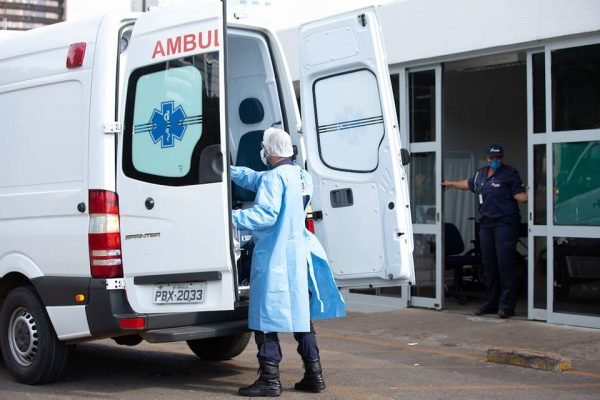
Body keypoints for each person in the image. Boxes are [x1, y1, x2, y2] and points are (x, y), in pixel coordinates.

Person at [231, 127, 345, 397]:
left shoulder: (274, 178)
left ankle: (270, 381)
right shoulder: (301, 175)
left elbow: (264, 216)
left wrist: (229, 216)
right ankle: (314, 375)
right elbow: (258, 179)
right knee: (300, 317)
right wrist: (230, 171)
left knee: (265, 318)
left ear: (268, 150)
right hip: (299, 255)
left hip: (275, 256)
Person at [441, 144, 527, 318]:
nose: (495, 161)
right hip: (486, 225)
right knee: (488, 266)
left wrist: (532, 194)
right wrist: (450, 184)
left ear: (502, 158)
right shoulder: (481, 174)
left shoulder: (510, 174)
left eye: (498, 158)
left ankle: (506, 306)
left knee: (505, 265)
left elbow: (519, 196)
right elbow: (468, 183)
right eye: (492, 158)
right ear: (487, 158)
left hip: (505, 224)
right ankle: (490, 304)